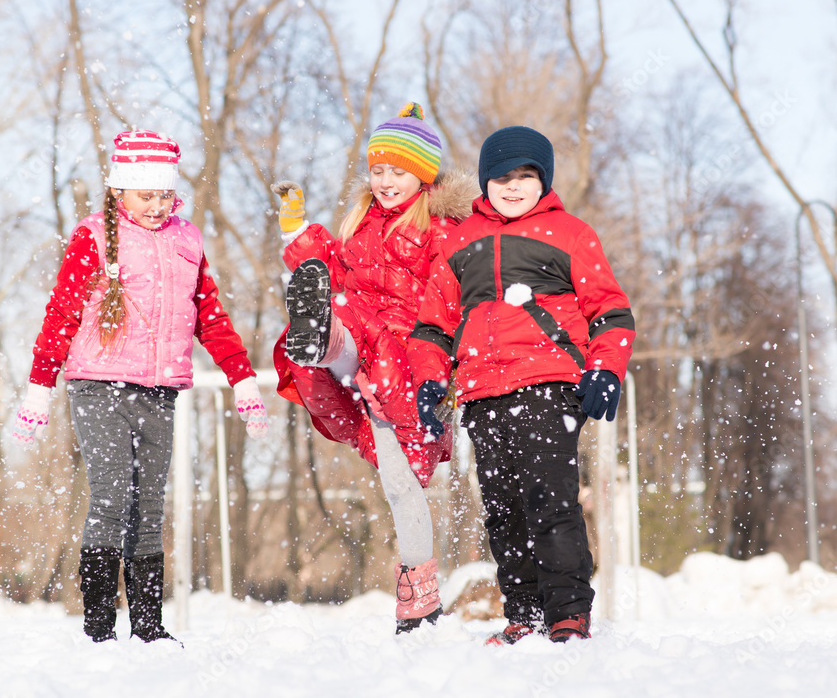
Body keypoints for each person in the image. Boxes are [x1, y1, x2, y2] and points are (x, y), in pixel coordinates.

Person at [13, 130, 269, 644]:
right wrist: (40, 385)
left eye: (164, 195)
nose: (157, 206)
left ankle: (149, 629)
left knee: (149, 506)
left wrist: (241, 377)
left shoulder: (187, 239)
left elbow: (210, 316)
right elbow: (62, 313)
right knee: (111, 499)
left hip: (160, 390)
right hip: (98, 386)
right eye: (145, 195)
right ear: (118, 193)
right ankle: (99, 630)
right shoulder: (94, 237)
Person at [408, 125, 635, 644]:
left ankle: (567, 613)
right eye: (502, 176)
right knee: (503, 505)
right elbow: (432, 325)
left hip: (549, 382)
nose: (513, 187)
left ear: (543, 181)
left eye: (526, 176)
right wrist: (428, 381)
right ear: (485, 182)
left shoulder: (572, 233)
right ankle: (525, 613)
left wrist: (605, 369)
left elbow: (611, 311)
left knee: (549, 499)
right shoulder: (458, 240)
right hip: (482, 391)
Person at [271, 103, 474, 633]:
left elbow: (455, 296)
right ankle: (321, 338)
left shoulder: (442, 228)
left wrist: (450, 366)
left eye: (397, 171)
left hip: (412, 360)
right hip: (362, 348)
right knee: (339, 315)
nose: (385, 181)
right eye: (377, 170)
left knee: (400, 483)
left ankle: (420, 603)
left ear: (423, 175)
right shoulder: (361, 223)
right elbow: (334, 267)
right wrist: (297, 231)